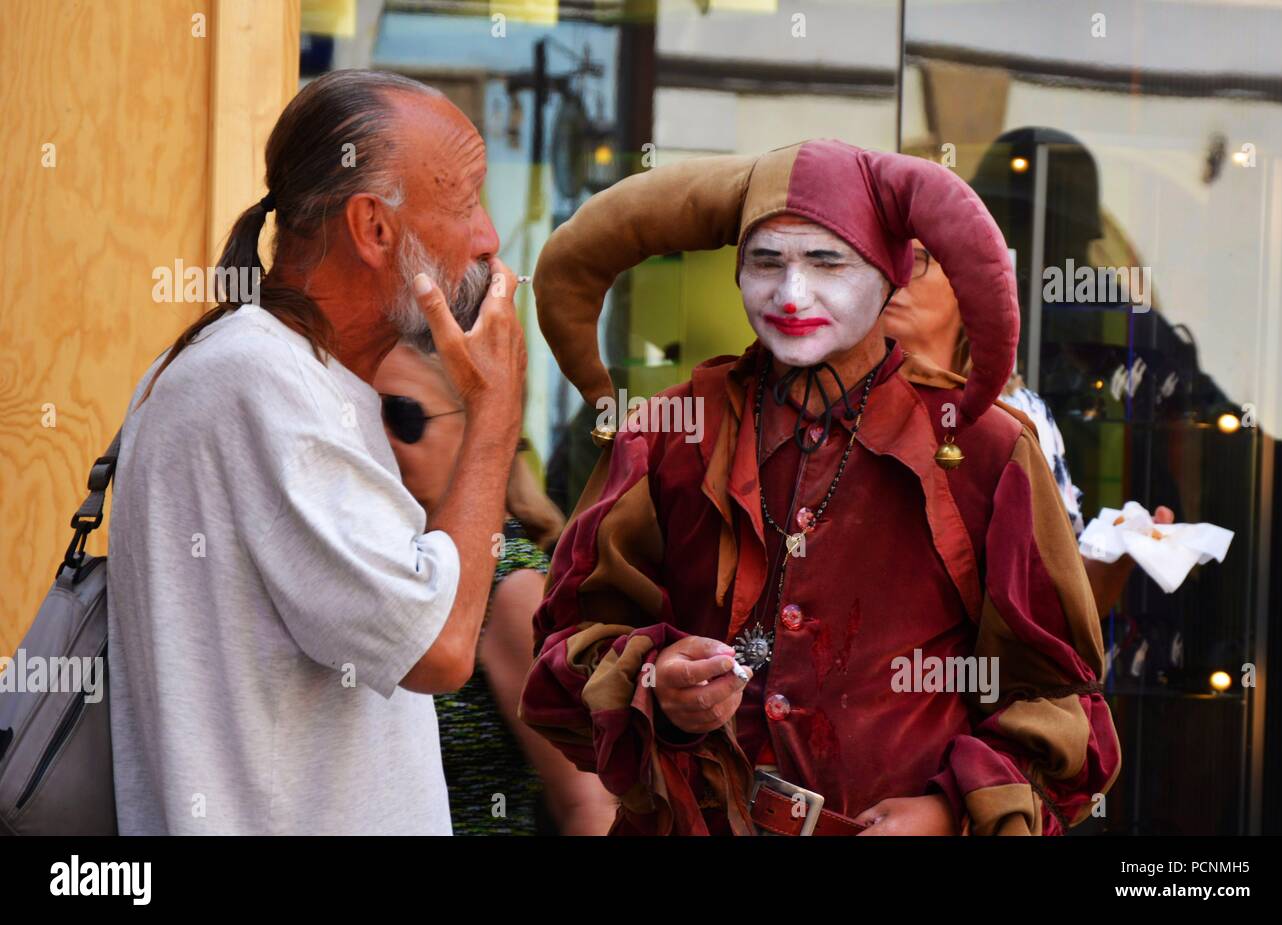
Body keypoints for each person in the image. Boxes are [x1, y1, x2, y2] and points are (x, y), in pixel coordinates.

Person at [519, 140, 1120, 835]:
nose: (791, 294)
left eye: (827, 262)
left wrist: (949, 809)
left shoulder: (985, 453)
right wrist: (656, 681)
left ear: (889, 274)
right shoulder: (667, 434)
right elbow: (564, 658)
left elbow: (1062, 702)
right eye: (766, 262)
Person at [107, 70, 527, 834]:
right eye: (466, 203)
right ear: (373, 227)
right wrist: (496, 408)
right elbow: (438, 647)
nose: (488, 238)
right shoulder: (260, 381)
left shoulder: (284, 375)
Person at [374, 344, 616, 834]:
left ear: (474, 429)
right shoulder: (385, 558)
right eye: (362, 412)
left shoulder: (510, 585)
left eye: (401, 415)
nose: (376, 437)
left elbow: (587, 803)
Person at [883, 239, 1174, 615]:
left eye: (918, 258)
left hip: (972, 670)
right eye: (887, 254)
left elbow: (1065, 599)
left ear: (968, 287)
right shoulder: (834, 402)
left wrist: (1120, 552)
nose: (898, 273)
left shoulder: (1020, 415)